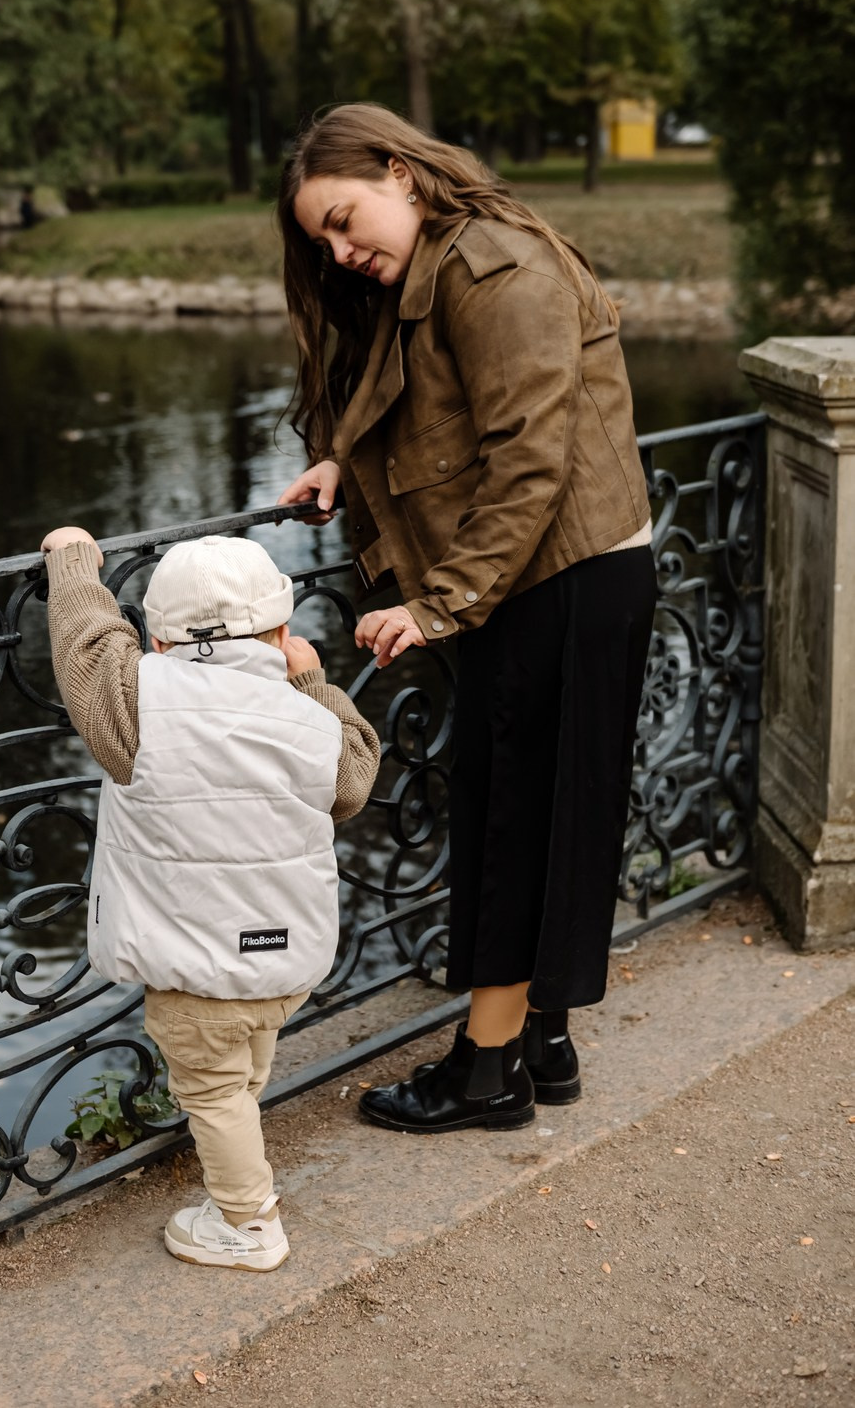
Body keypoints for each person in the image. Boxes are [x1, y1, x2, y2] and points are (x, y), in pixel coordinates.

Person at [275, 102, 656, 1135]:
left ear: (400, 170)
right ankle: (543, 1038)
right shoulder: (448, 263)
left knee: (517, 824)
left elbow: (526, 457)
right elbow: (435, 410)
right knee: (540, 812)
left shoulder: (493, 268)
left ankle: (484, 1073)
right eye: (325, 241)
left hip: (557, 578)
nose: (343, 251)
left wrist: (437, 603)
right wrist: (340, 467)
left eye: (347, 220)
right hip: (554, 576)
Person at [41, 526, 379, 1267]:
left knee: (214, 1092)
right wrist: (312, 681)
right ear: (282, 632)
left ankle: (247, 1224)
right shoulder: (312, 720)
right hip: (286, 955)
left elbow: (87, 645)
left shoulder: (136, 697)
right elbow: (355, 779)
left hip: (193, 967)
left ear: (156, 639)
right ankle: (239, 1166)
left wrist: (72, 560)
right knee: (243, 1063)